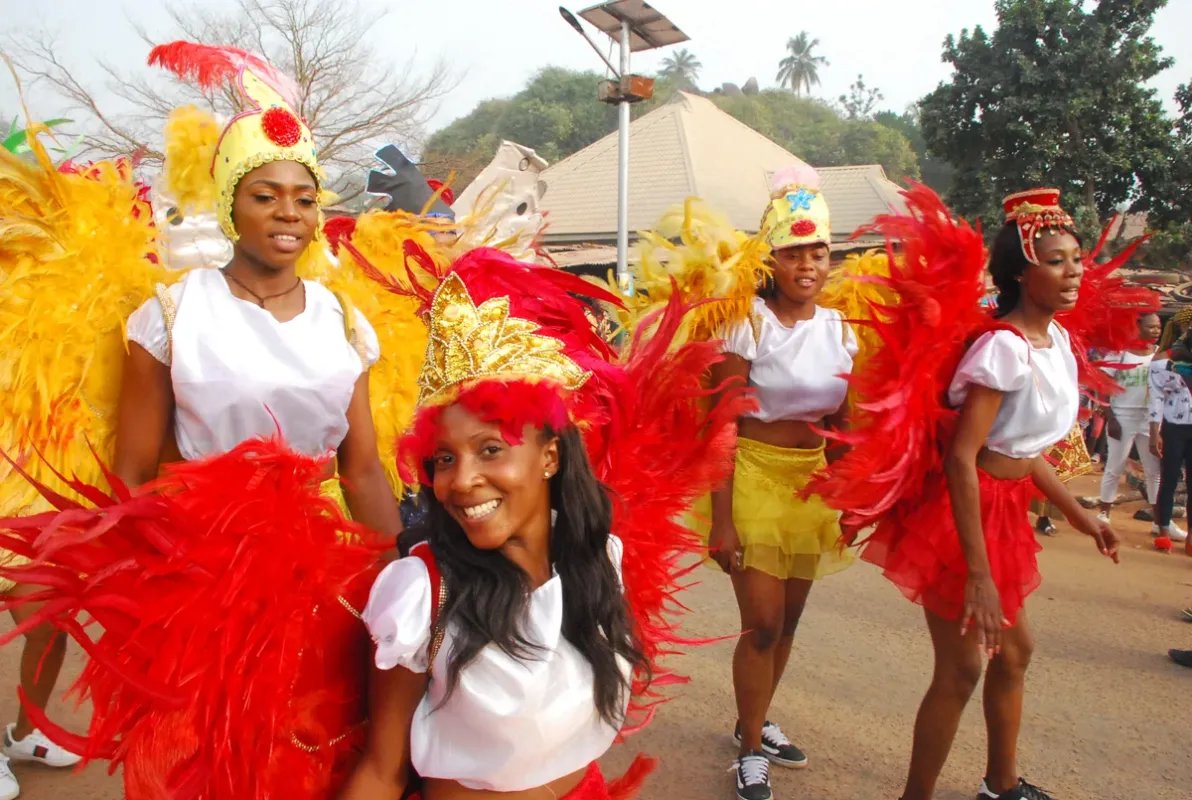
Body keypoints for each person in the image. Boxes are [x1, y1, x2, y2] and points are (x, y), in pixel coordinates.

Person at [0, 42, 408, 799]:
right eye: (265, 194)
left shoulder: (344, 321)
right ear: (229, 205)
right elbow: (134, 469)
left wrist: (400, 574)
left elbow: (360, 470)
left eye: (304, 197)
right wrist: (135, 586)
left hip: (312, 565)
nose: (288, 213)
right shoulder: (171, 314)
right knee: (201, 755)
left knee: (306, 746)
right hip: (196, 569)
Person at [339, 247, 752, 800]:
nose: (461, 480)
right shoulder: (421, 594)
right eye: (443, 459)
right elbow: (381, 772)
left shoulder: (598, 559)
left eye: (490, 449)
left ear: (550, 456)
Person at [811, 187, 1133, 800]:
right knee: (961, 669)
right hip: (965, 512)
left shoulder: (1058, 344)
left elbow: (1024, 451)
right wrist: (978, 575)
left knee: (1013, 655)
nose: (1073, 272)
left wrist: (1080, 514)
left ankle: (1000, 783)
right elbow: (964, 458)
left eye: (1077, 259)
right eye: (1056, 261)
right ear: (1021, 274)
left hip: (1005, 507)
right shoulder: (1004, 349)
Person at [699, 167, 856, 800]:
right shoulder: (749, 324)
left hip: (809, 487)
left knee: (788, 624)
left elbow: (843, 426)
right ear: (772, 260)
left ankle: (755, 720)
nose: (807, 265)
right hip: (751, 478)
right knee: (761, 624)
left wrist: (852, 494)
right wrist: (722, 519)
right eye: (793, 253)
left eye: (817, 252)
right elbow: (720, 421)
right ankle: (747, 755)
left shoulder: (842, 330)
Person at [1097, 313, 1164, 528]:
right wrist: (1110, 417)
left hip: (1150, 421)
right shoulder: (1120, 353)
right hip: (1122, 417)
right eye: (1151, 326)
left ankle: (1159, 520)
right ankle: (1104, 513)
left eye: (1158, 326)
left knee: (1154, 471)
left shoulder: (1160, 355)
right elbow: (1103, 384)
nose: (1156, 330)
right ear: (1138, 327)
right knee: (1114, 467)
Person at [1149, 329, 1192, 551]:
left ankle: (1191, 536)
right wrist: (1154, 432)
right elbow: (1155, 399)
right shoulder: (1163, 364)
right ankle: (1163, 531)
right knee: (1169, 480)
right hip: (1173, 428)